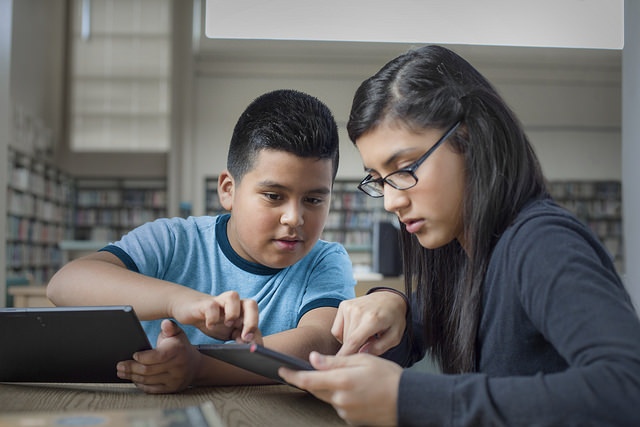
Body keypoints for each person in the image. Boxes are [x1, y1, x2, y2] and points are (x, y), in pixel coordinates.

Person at [280, 45, 640, 426]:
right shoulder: (462, 257)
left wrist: (410, 397)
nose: (390, 201)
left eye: (404, 168)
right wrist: (393, 302)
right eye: (380, 180)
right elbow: (417, 320)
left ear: (469, 139)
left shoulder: (541, 243)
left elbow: (628, 388)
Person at [47, 89, 356, 393]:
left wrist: (200, 367)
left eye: (314, 199)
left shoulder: (325, 260)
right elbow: (64, 284)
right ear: (228, 190)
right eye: (274, 196)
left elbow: (321, 343)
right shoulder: (172, 240)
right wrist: (179, 301)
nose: (294, 218)